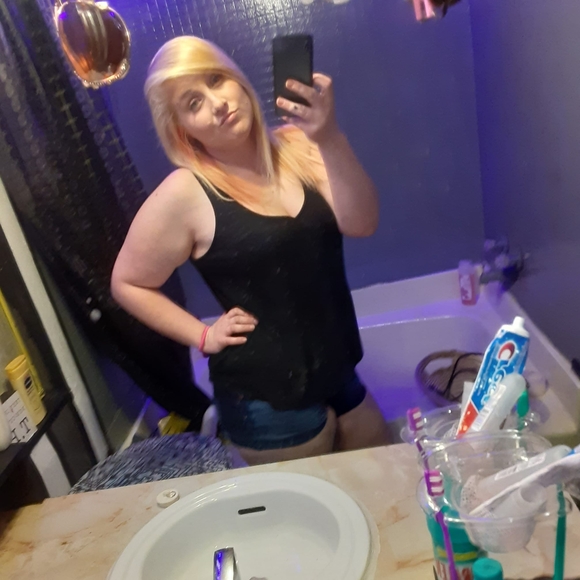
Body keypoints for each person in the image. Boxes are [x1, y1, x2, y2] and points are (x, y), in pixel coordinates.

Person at [111, 36, 390, 465]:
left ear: (236, 79)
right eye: (193, 103)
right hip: (263, 396)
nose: (217, 103)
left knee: (383, 467)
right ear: (183, 130)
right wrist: (202, 335)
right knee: (314, 504)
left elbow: (362, 222)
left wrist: (329, 136)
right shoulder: (185, 193)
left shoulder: (299, 144)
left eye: (215, 80)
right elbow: (127, 283)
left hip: (334, 364)